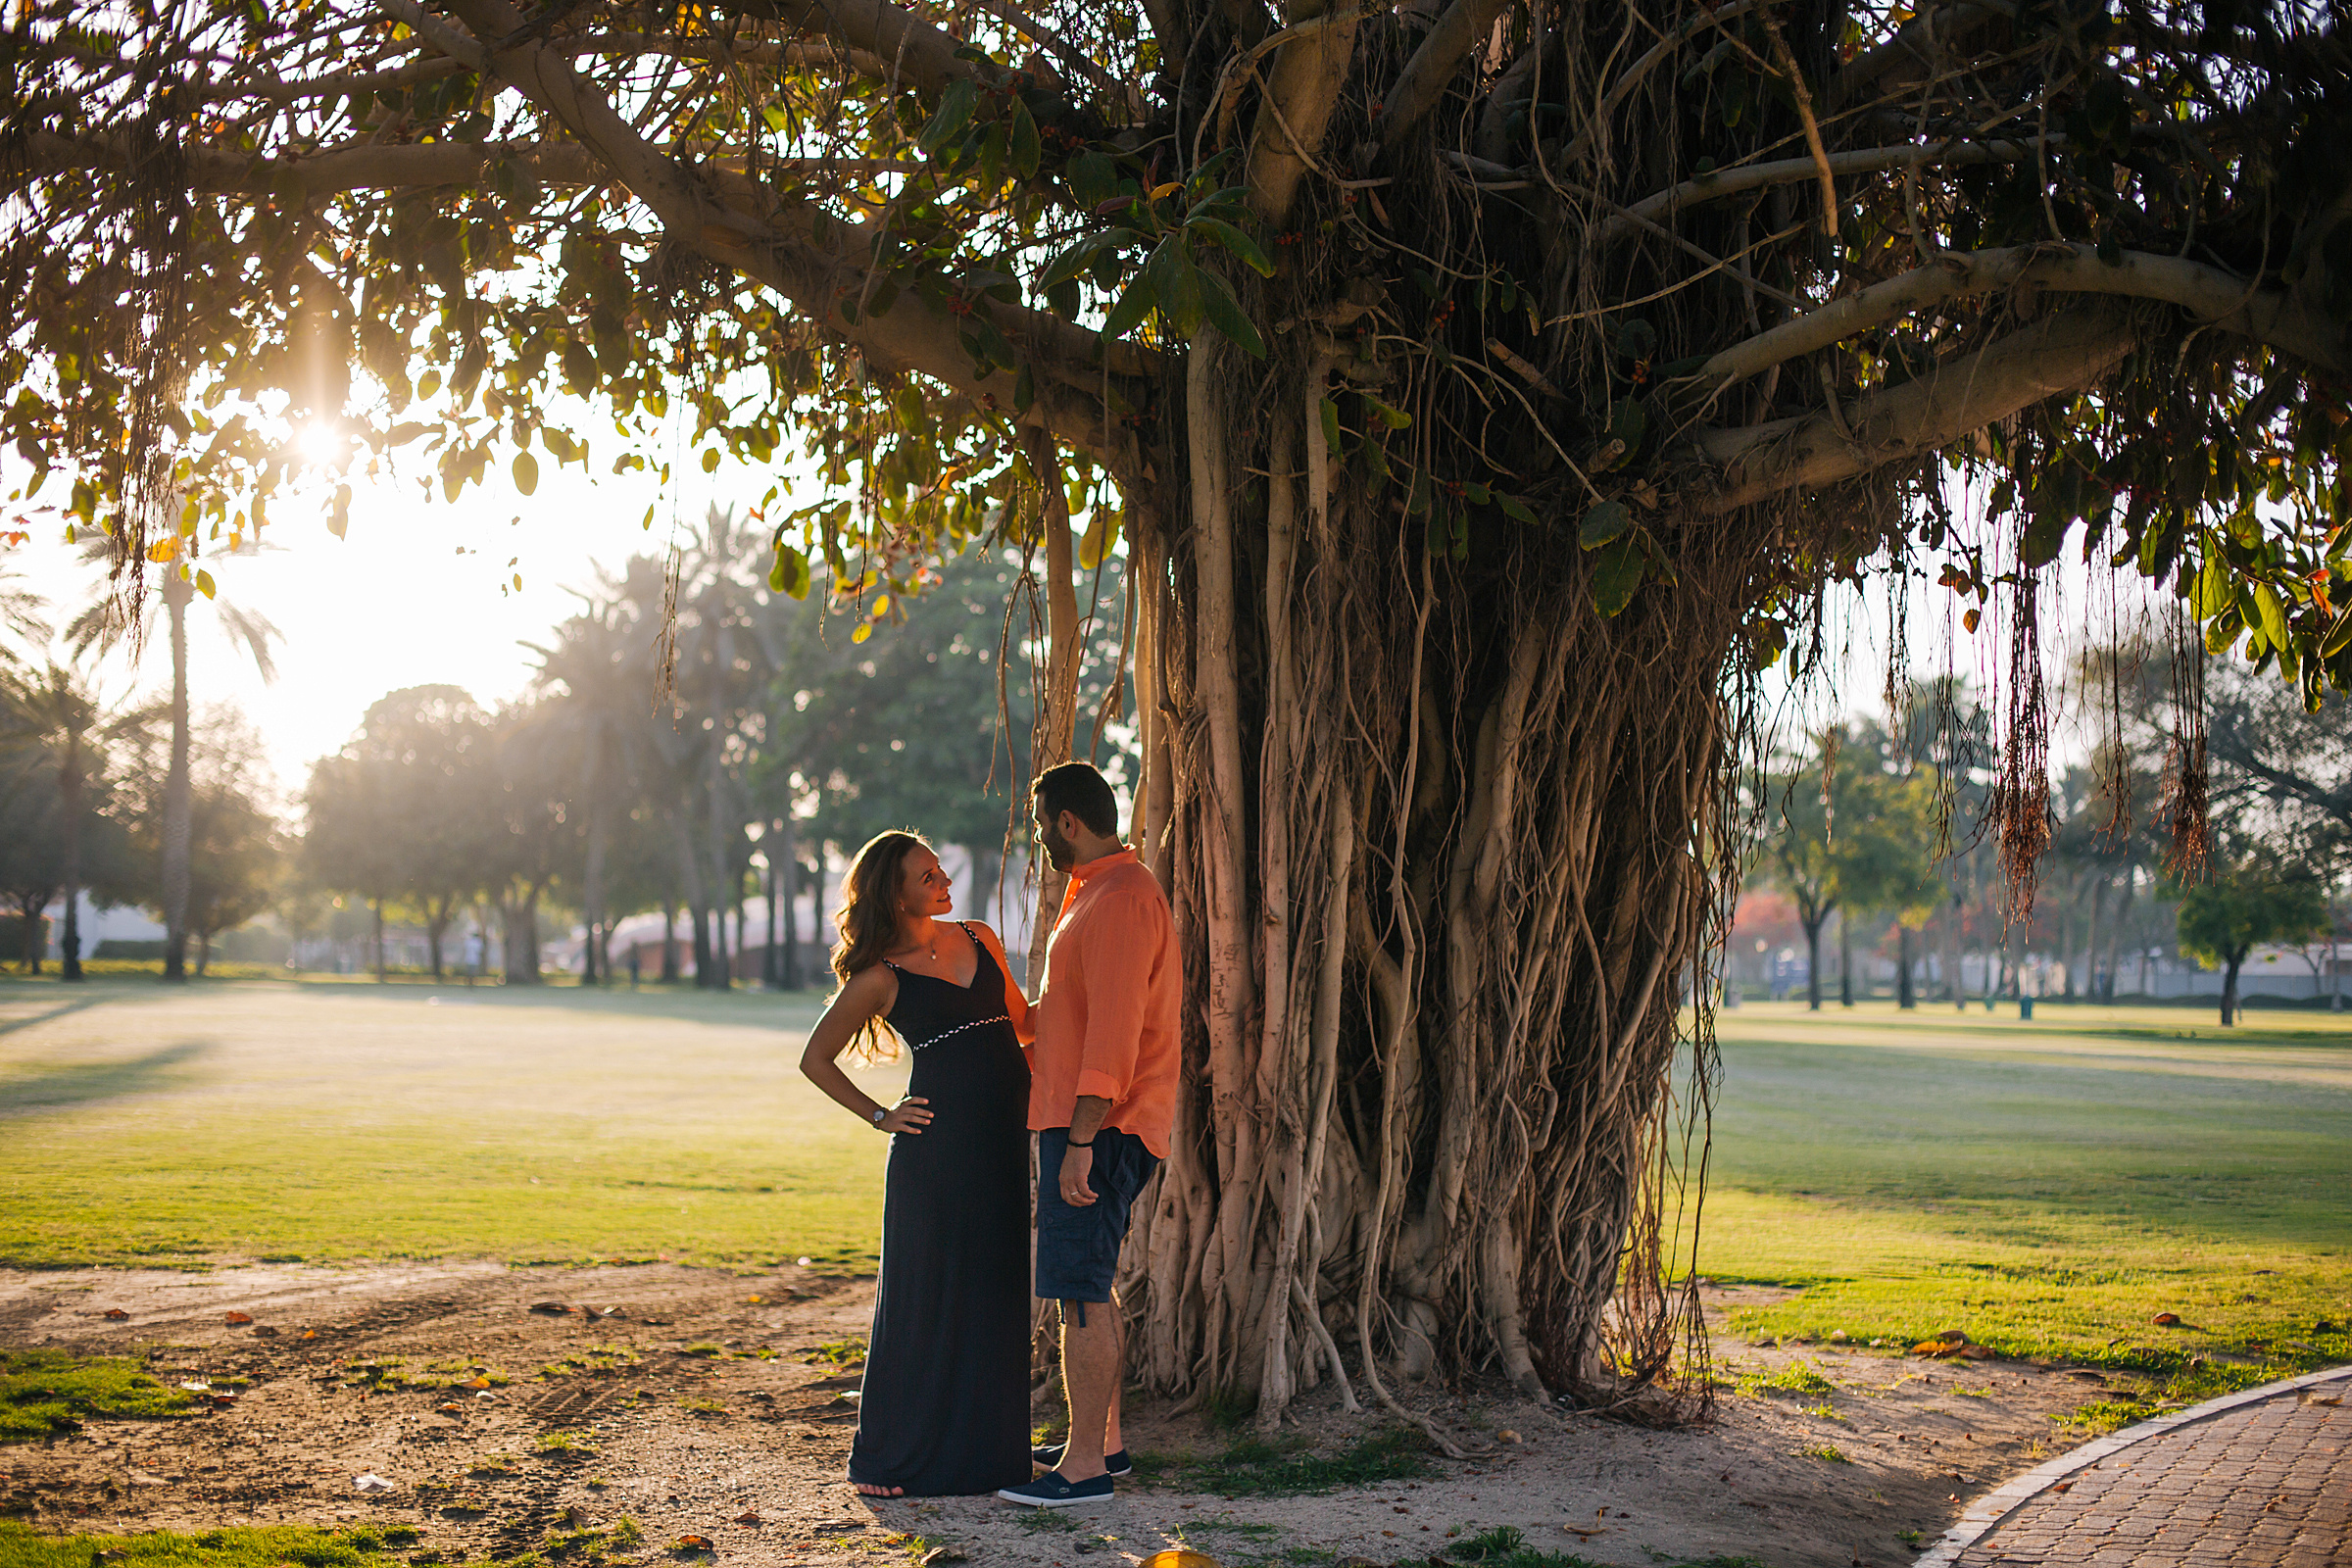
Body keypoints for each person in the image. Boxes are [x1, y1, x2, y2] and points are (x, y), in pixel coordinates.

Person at [798, 831, 1034, 1497]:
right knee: (922, 1299)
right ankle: (888, 1459)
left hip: (1002, 1144)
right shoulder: (880, 977)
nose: (942, 880)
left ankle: (989, 1458)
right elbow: (815, 1059)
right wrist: (880, 1115)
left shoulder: (980, 938)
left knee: (994, 1292)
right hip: (935, 1155)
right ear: (895, 893)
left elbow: (1025, 1024)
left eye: (940, 870)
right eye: (926, 876)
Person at [998, 762, 1181, 1509]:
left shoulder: (1122, 898)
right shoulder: (1096, 894)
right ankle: (1102, 1446)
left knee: (1078, 1293)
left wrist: (1079, 1142)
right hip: (1087, 1124)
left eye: (1042, 823)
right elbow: (1064, 1017)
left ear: (1068, 822)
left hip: (1099, 1129)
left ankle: (1082, 1473)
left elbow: (1113, 1034)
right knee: (1090, 1286)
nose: (1040, 836)